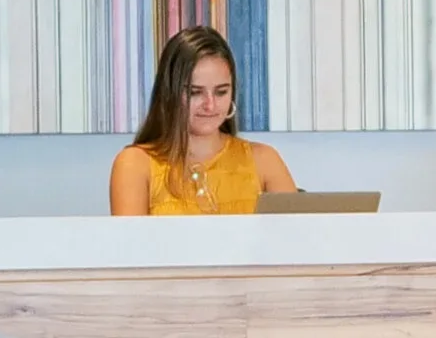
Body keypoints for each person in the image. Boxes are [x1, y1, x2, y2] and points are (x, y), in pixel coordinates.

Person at [110, 27, 296, 215]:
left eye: (221, 91)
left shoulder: (265, 161)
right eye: (195, 92)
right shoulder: (135, 165)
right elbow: (129, 244)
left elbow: (299, 239)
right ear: (169, 93)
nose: (210, 105)